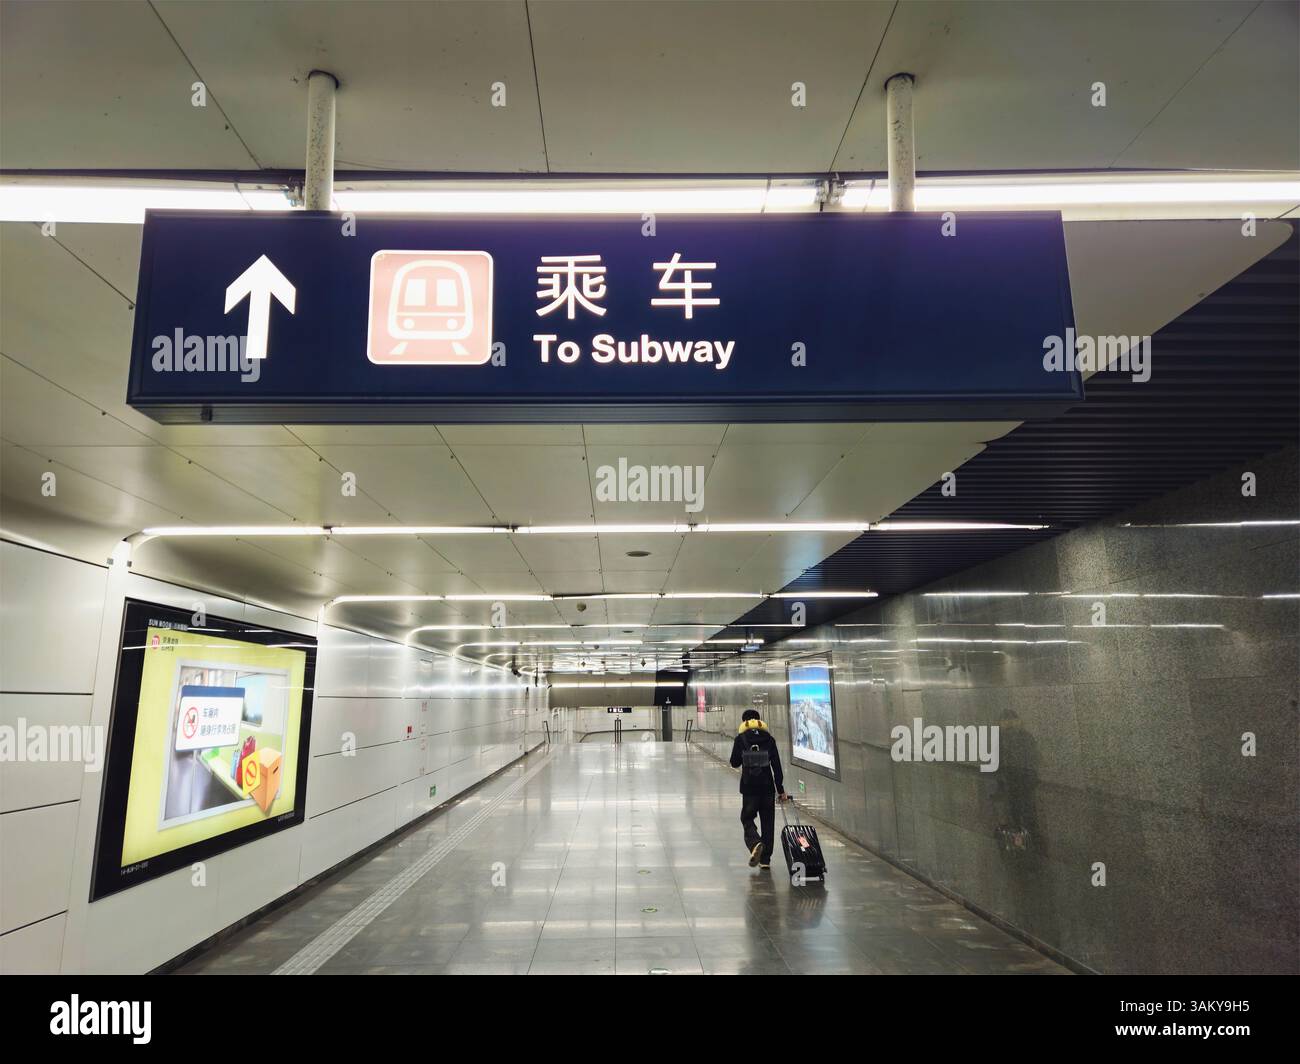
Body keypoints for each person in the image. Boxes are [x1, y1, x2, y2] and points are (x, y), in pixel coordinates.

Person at [729, 709, 788, 868]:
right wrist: (780, 789)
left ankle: (755, 843)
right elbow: (776, 766)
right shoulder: (769, 739)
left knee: (747, 818)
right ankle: (765, 860)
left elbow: (734, 762)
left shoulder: (740, 739)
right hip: (768, 787)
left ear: (744, 722)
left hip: (749, 788)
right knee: (768, 822)